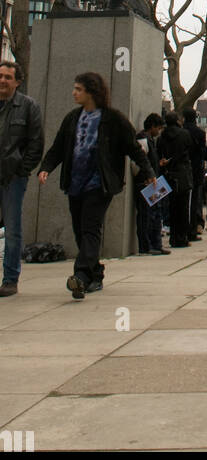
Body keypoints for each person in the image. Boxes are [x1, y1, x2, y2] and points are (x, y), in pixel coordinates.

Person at [38, 72, 155, 298]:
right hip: (74, 183)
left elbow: (133, 148)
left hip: (100, 184)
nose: (74, 93)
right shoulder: (72, 118)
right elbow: (59, 147)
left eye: (78, 89)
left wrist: (149, 172)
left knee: (90, 228)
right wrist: (46, 168)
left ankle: (80, 277)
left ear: (92, 92)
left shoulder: (113, 119)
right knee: (79, 231)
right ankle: (95, 274)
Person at [0, 59, 45, 297]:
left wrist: (21, 170)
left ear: (18, 81)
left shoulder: (28, 106)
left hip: (12, 177)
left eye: (8, 77)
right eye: (0, 76)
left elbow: (36, 143)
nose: (3, 81)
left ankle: (10, 279)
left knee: (12, 228)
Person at [157, 111, 194, 247]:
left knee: (171, 207)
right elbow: (190, 149)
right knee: (183, 207)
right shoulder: (184, 134)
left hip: (168, 173)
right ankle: (182, 237)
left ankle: (173, 236)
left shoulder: (162, 137)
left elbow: (159, 152)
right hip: (182, 173)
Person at [134, 112, 169, 256]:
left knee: (155, 214)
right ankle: (146, 246)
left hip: (153, 181)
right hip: (146, 183)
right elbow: (138, 161)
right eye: (158, 128)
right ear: (153, 126)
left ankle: (155, 244)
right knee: (146, 215)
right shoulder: (143, 139)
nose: (159, 132)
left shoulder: (149, 140)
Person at [182, 108, 206, 238]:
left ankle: (182, 228)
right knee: (194, 201)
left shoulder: (182, 131)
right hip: (195, 170)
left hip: (181, 169)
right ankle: (192, 229)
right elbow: (203, 153)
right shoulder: (200, 133)